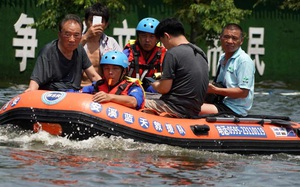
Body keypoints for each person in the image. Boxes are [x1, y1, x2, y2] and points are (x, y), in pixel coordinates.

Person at [144, 17, 209, 118]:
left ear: (166, 36)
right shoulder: (201, 53)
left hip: (174, 108)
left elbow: (164, 89)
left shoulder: (172, 53)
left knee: (136, 101)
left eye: (162, 41)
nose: (164, 46)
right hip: (194, 110)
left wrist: (155, 84)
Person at [25, 14, 101, 92]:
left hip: (74, 96)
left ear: (81, 36)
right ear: (59, 35)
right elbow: (36, 80)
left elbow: (93, 76)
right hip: (51, 96)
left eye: (76, 35)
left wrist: (107, 91)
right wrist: (31, 90)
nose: (72, 39)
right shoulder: (48, 51)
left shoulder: (79, 49)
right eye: (67, 35)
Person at [200, 23, 255, 117]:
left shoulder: (244, 61)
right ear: (221, 38)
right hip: (221, 103)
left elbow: (243, 92)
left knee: (191, 108)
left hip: (235, 109)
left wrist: (216, 90)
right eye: (226, 37)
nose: (229, 41)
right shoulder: (222, 57)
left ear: (241, 41)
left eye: (234, 38)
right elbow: (220, 83)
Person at [81, 2, 122, 86]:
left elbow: (121, 66)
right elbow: (67, 54)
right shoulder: (77, 40)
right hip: (78, 87)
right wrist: (85, 37)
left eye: (101, 21)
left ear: (106, 24)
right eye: (91, 20)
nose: (95, 25)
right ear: (85, 22)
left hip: (102, 89)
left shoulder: (111, 43)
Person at [123, 17, 167, 92]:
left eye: (152, 36)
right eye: (143, 36)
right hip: (130, 88)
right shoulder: (128, 52)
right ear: (138, 36)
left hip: (153, 89)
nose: (147, 40)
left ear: (157, 38)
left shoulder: (164, 54)